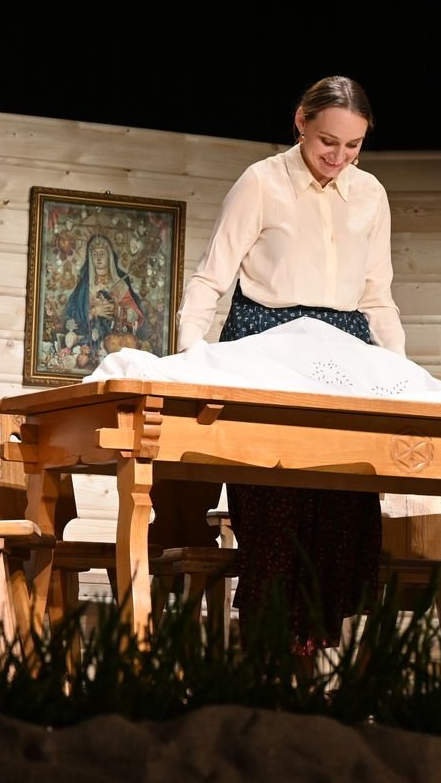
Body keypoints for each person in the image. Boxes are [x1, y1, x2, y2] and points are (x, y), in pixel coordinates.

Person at [175, 75, 404, 654]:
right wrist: (190, 356)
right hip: (266, 346)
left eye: (353, 145)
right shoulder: (262, 182)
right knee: (272, 502)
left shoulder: (371, 194)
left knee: (341, 500)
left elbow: (377, 295)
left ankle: (316, 660)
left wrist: (400, 372)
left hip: (341, 353)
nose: (339, 156)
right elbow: (211, 276)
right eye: (328, 141)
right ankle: (267, 654)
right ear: (301, 122)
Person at [65, 233, 147, 367]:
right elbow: (71, 313)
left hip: (115, 342)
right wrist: (92, 312)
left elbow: (136, 316)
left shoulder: (120, 285)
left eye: (102, 253)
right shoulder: (85, 286)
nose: (98, 258)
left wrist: (118, 310)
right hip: (89, 341)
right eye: (94, 254)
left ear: (109, 256)